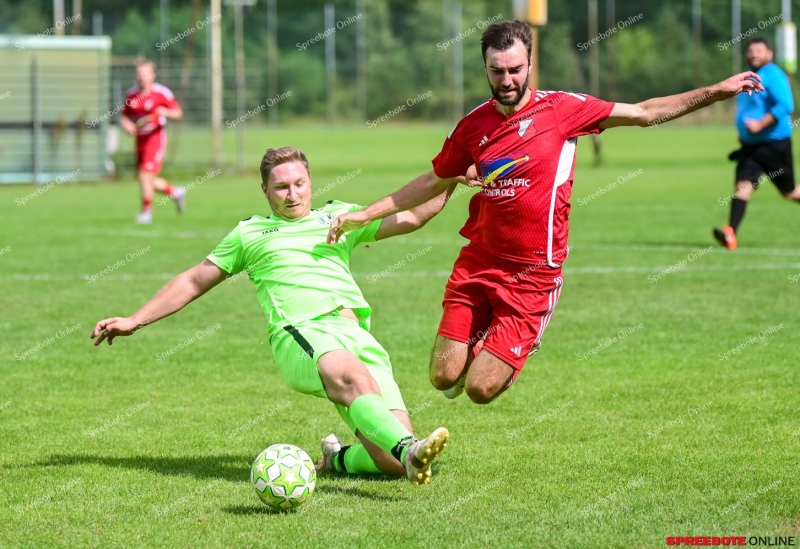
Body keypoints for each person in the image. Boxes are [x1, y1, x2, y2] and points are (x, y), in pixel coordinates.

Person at [328, 20, 763, 405]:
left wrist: (717, 91)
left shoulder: (562, 109)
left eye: (515, 69)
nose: (507, 79)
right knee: (442, 376)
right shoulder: (471, 127)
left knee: (480, 389)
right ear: (485, 68)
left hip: (534, 273)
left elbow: (645, 113)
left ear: (530, 64)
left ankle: (516, 345)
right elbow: (433, 181)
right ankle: (485, 347)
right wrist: (366, 214)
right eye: (497, 70)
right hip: (478, 263)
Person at [90, 147, 452, 486]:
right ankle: (410, 450)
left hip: (357, 335)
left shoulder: (340, 218)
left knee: (387, 462)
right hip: (302, 332)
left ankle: (338, 457)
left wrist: (453, 176)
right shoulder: (250, 233)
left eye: (299, 184)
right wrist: (135, 319)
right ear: (265, 190)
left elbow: (414, 215)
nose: (292, 194)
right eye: (280, 187)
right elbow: (195, 279)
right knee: (363, 393)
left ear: (310, 181)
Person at [714, 37, 799, 250]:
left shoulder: (773, 75)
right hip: (751, 147)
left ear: (769, 53)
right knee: (742, 186)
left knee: (789, 192)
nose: (754, 54)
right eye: (750, 51)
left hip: (774, 145)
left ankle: (731, 232)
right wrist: (745, 135)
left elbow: (785, 105)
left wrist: (760, 125)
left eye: (759, 50)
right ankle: (730, 233)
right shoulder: (749, 77)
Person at [120, 60, 186, 224]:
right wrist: (127, 125)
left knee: (144, 175)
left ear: (152, 75)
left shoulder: (161, 93)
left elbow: (178, 113)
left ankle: (146, 213)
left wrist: (165, 111)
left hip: (156, 139)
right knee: (146, 179)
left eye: (145, 73)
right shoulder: (131, 95)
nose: (141, 77)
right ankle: (175, 192)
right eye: (139, 73)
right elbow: (124, 116)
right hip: (139, 141)